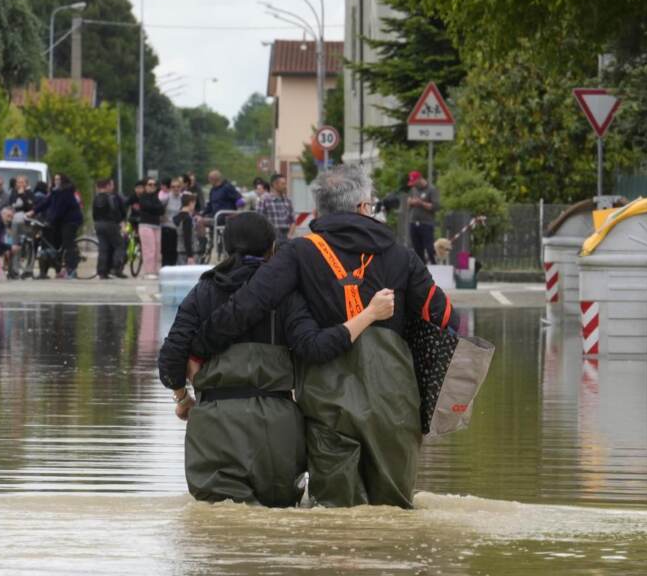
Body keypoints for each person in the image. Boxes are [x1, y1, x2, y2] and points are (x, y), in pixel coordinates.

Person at [189, 164, 453, 509]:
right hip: (394, 400)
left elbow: (247, 305)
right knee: (395, 513)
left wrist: (199, 346)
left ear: (319, 210)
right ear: (362, 207)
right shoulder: (401, 255)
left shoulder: (300, 253)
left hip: (328, 400)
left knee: (335, 515)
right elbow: (444, 317)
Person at [158, 211, 396, 508]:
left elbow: (170, 360)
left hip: (213, 423)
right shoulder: (287, 296)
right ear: (272, 249)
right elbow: (315, 348)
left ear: (226, 245)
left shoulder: (202, 293)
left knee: (218, 534)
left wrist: (183, 399)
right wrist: (370, 314)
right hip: (277, 431)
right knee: (276, 528)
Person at [35, 173, 83, 279]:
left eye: (58, 179)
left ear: (63, 181)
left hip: (71, 221)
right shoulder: (55, 191)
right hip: (60, 221)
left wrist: (50, 220)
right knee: (55, 244)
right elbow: (46, 203)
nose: (56, 181)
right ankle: (56, 270)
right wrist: (33, 211)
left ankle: (71, 270)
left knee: (68, 244)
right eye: (55, 179)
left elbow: (60, 210)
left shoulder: (66, 192)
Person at [93, 178, 126, 280]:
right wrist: (119, 222)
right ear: (107, 186)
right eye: (111, 185)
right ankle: (115, 267)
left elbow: (93, 214)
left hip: (98, 224)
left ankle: (102, 272)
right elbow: (115, 211)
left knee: (103, 248)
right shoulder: (110, 198)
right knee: (119, 244)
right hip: (110, 224)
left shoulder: (96, 198)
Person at [406, 171, 441, 265]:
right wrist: (410, 202)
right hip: (413, 222)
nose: (413, 185)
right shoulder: (414, 190)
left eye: (414, 182)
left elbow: (436, 206)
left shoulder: (432, 189)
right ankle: (421, 270)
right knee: (417, 249)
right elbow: (409, 202)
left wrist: (421, 203)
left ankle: (434, 266)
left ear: (419, 179)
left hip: (426, 223)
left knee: (430, 249)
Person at [7, 175, 35, 279]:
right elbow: (10, 206)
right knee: (14, 246)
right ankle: (14, 270)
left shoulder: (29, 193)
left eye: (22, 182)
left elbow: (31, 206)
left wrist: (23, 195)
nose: (20, 184)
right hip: (14, 223)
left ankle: (28, 270)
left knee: (29, 246)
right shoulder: (13, 193)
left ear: (26, 184)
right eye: (18, 182)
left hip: (26, 223)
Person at [137, 177, 165, 279]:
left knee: (157, 249)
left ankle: (155, 270)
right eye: (150, 184)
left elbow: (161, 210)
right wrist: (155, 208)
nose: (152, 186)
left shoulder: (156, 197)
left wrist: (155, 208)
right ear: (145, 186)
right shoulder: (143, 197)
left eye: (154, 184)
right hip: (145, 225)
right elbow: (148, 207)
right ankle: (149, 272)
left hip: (156, 225)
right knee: (149, 249)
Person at [257, 173, 295, 243]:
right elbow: (259, 221)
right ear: (275, 185)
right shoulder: (264, 200)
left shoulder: (288, 201)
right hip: (270, 237)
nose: (285, 186)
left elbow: (293, 221)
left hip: (285, 237)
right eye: (283, 184)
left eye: (285, 184)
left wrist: (289, 235)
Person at [161, 177, 183, 267]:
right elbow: (159, 209)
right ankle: (165, 269)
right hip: (167, 228)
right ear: (170, 188)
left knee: (176, 252)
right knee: (166, 252)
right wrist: (162, 217)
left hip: (179, 229)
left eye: (178, 186)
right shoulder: (166, 198)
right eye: (173, 186)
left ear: (180, 187)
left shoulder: (183, 198)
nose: (175, 188)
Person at [175, 192, 197, 265]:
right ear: (190, 203)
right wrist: (190, 256)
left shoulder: (177, 217)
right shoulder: (188, 219)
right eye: (194, 203)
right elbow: (187, 238)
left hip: (179, 250)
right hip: (187, 253)